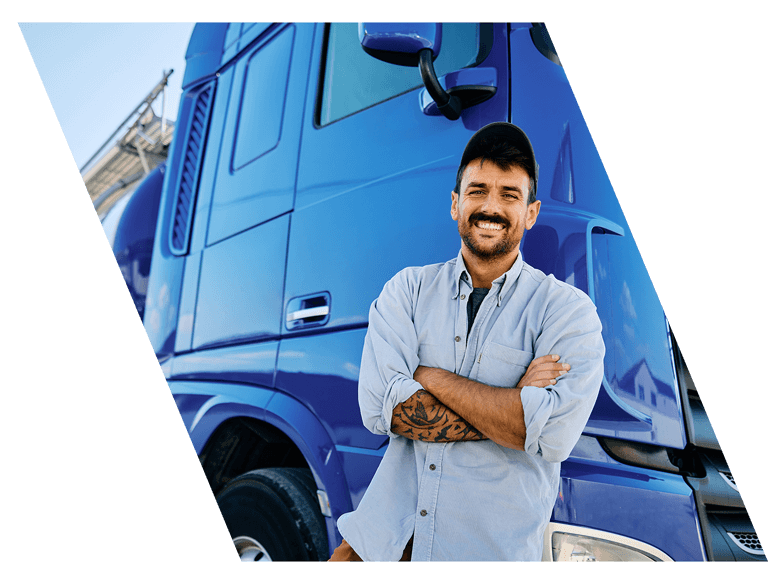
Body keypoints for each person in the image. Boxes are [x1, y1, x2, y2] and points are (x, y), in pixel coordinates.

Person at [328, 122, 605, 562]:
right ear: (456, 205)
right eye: (477, 191)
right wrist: (515, 409)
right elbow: (383, 409)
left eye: (509, 195)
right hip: (378, 545)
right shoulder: (407, 291)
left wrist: (428, 376)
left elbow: (552, 435)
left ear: (531, 213)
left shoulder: (567, 312)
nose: (491, 207)